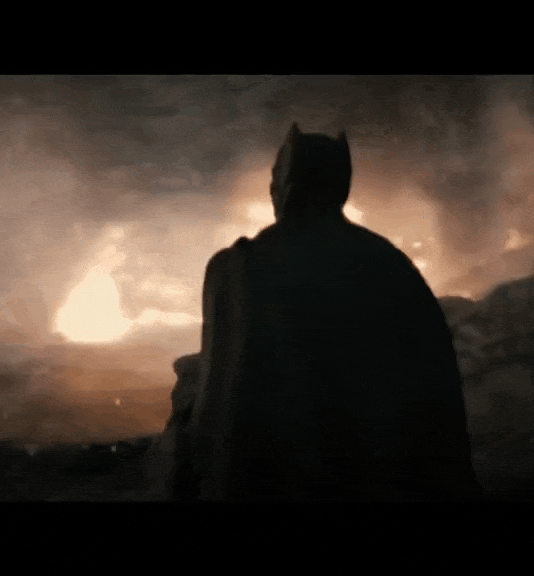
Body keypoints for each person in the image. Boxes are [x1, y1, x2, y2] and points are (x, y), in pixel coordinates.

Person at [177, 123, 483, 501]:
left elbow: (223, 408)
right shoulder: (390, 264)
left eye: (276, 177)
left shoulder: (241, 268)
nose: (272, 189)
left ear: (287, 183)